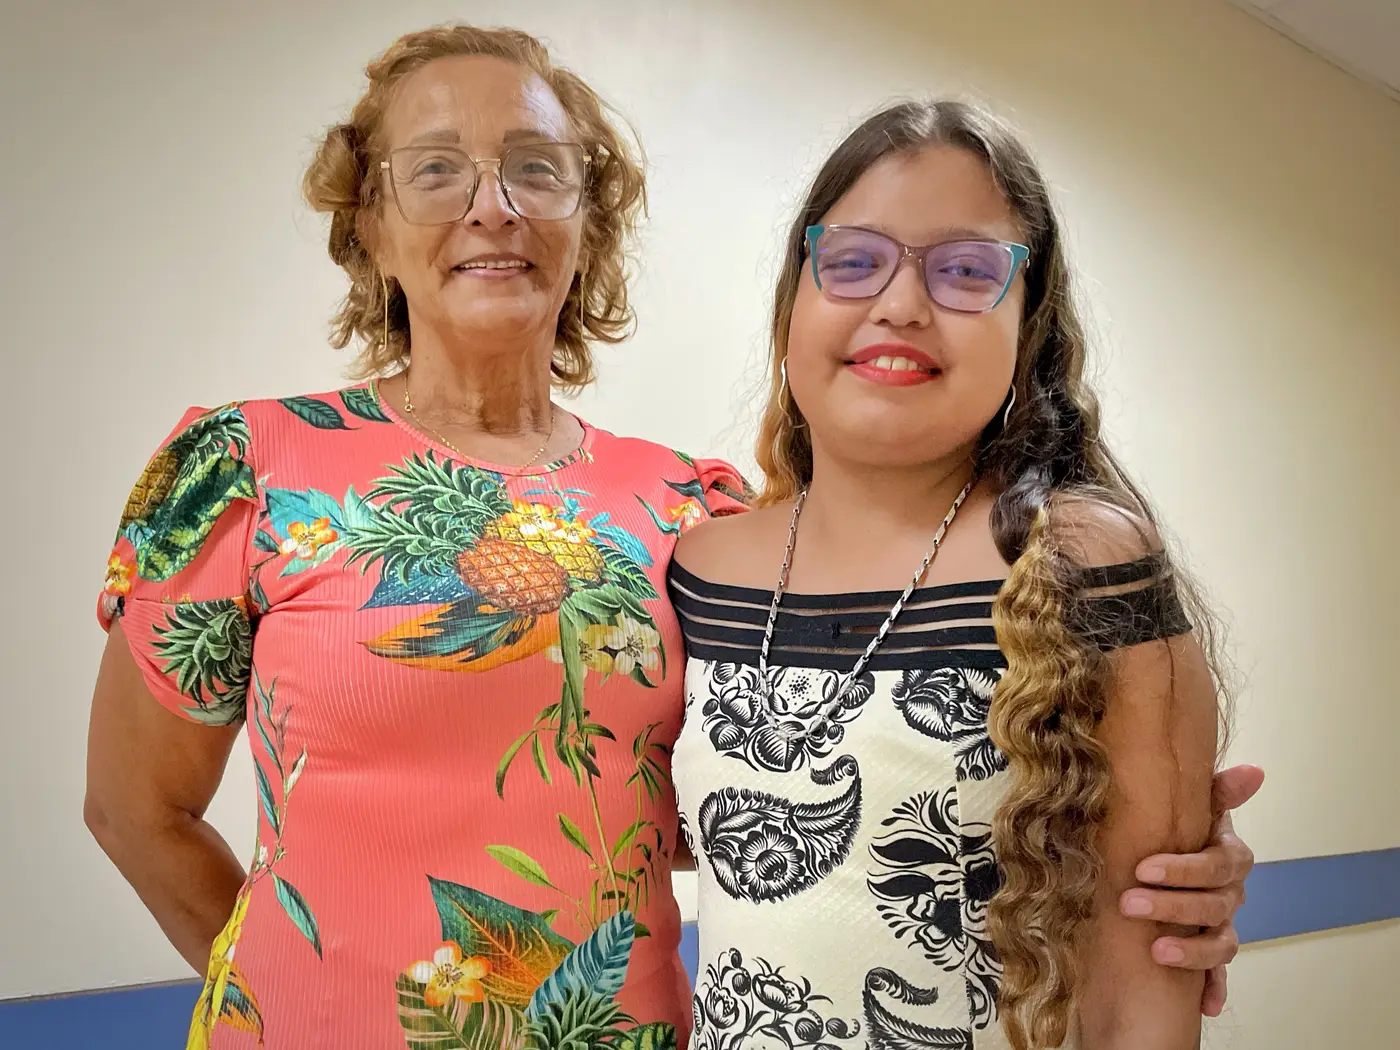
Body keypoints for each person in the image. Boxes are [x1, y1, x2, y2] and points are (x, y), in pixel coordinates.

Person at [82, 25, 1255, 1050]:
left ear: (585, 224)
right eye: (434, 170)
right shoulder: (247, 471)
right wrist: (289, 994)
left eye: (535, 169)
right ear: (369, 229)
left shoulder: (690, 515)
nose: (491, 205)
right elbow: (136, 812)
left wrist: (1143, 863)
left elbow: (731, 801)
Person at [670, 99, 1247, 1050]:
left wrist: (1198, 865)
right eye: (853, 260)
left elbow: (1143, 990)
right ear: (792, 305)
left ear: (1030, 328)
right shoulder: (699, 566)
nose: (901, 303)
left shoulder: (1082, 563)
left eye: (967, 271)